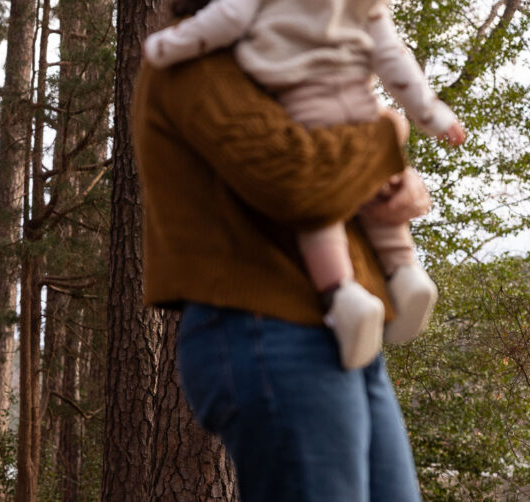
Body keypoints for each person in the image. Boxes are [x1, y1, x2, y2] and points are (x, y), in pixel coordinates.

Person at [132, 2, 438, 502]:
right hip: (264, 336)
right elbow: (297, 178)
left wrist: (393, 187)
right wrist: (387, 133)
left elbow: (346, 184)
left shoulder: (297, 56)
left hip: (345, 340)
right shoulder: (191, 61)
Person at [142, 0, 465, 369]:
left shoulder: (248, 36)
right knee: (327, 200)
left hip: (341, 326)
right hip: (270, 322)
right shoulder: (205, 68)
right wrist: (393, 131)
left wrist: (403, 182)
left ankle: (363, 285)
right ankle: (388, 274)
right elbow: (302, 186)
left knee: (330, 218)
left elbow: (329, 176)